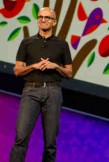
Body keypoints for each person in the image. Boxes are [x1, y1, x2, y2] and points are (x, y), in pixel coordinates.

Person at [10, 7, 73, 162]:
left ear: (54, 22)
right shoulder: (27, 42)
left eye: (47, 17)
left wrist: (56, 66)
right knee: (21, 138)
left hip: (53, 93)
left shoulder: (62, 45)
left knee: (50, 143)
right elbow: (17, 71)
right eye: (40, 17)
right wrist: (33, 66)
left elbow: (69, 73)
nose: (43, 20)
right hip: (31, 91)